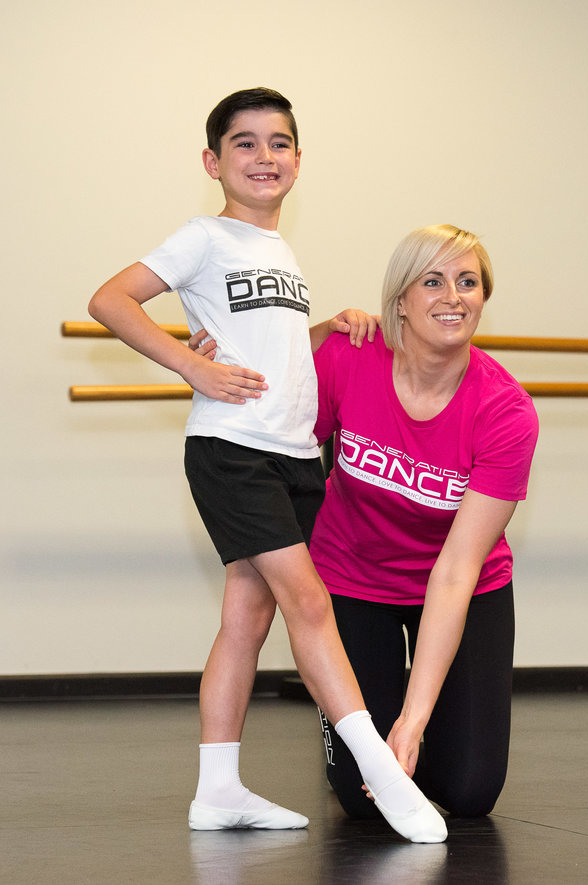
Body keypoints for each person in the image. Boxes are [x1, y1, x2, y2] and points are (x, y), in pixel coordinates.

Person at [88, 88, 447, 843]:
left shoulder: (279, 251)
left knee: (244, 620)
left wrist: (327, 324)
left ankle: (217, 789)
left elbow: (269, 339)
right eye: (245, 144)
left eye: (278, 143)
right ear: (214, 162)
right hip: (232, 448)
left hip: (292, 453)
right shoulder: (204, 236)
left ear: (298, 160)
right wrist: (191, 364)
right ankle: (384, 771)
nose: (264, 157)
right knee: (309, 605)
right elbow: (111, 299)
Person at [310, 224, 539, 819]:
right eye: (432, 281)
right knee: (362, 799)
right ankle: (387, 731)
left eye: (468, 282)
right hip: (353, 579)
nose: (453, 296)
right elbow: (277, 449)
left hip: (464, 587)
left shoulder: (505, 411)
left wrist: (410, 724)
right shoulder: (348, 358)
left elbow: (456, 571)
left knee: (467, 793)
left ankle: (422, 727)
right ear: (400, 301)